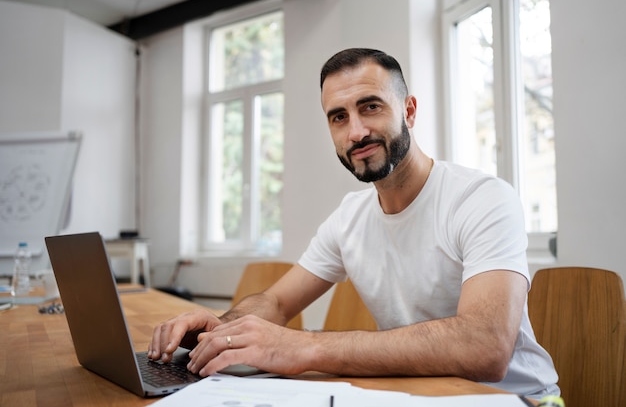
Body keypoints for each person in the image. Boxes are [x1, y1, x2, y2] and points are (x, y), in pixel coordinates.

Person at [149, 48, 559, 398]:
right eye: (338, 117)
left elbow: (485, 347)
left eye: (371, 107)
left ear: (409, 111)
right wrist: (219, 330)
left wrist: (302, 347)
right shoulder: (349, 218)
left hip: (518, 400)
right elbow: (276, 303)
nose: (356, 132)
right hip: (420, 396)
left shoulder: (481, 198)